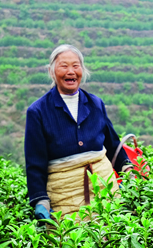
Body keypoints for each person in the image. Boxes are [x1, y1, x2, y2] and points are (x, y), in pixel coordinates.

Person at [24, 44, 132, 220]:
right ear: (52, 72)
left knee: (109, 237)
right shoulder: (38, 111)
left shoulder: (96, 104)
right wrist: (40, 199)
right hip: (64, 194)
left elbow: (113, 145)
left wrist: (127, 168)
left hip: (104, 188)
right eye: (64, 66)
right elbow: (35, 161)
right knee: (70, 241)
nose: (71, 71)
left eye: (75, 66)